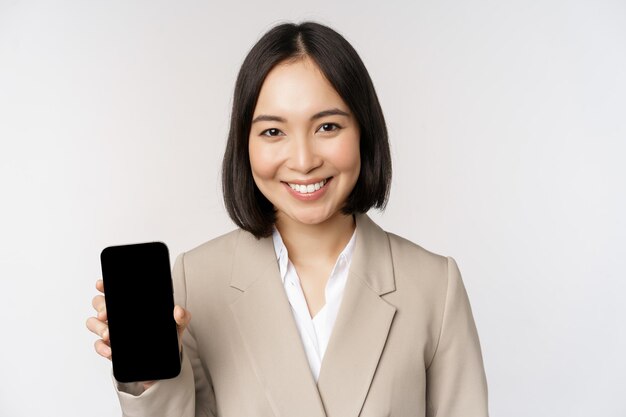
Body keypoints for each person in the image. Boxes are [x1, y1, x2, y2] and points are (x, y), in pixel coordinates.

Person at [86, 20, 489, 417]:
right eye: (273, 132)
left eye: (328, 126)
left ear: (364, 131)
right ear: (244, 144)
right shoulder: (198, 280)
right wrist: (151, 382)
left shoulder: (435, 287)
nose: (303, 160)